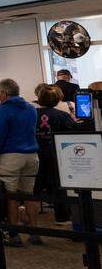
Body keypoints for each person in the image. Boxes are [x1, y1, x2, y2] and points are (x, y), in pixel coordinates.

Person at [0, 78, 42, 247]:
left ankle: (14, 234)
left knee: (11, 197)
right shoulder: (31, 108)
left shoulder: (4, 110)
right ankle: (35, 233)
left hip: (11, 156)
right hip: (32, 155)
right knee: (29, 194)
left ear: (4, 93)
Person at [35, 84, 74, 224]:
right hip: (56, 155)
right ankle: (62, 217)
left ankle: (30, 217)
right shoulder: (62, 115)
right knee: (58, 185)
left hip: (36, 154)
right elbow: (73, 132)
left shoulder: (32, 114)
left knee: (35, 186)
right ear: (58, 99)